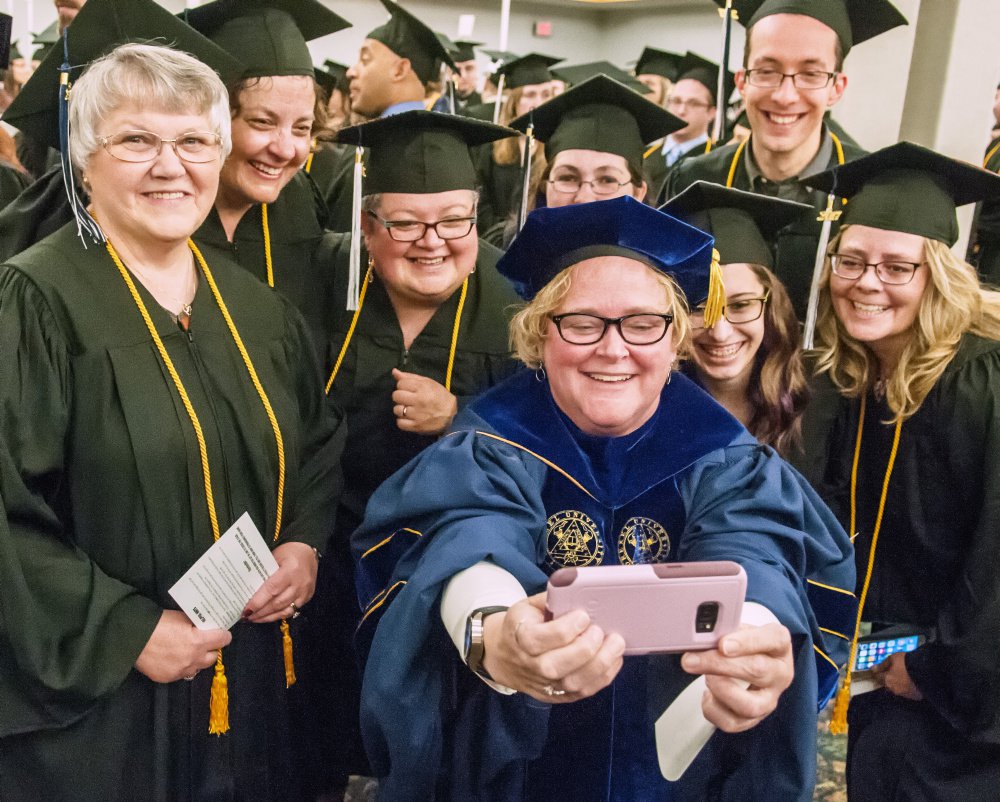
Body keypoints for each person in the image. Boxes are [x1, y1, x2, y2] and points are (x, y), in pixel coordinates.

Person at [353, 195, 855, 801]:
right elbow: (469, 533)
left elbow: (756, 549)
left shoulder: (723, 455)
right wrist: (495, 635)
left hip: (680, 775)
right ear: (539, 333)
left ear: (676, 340)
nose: (614, 349)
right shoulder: (493, 443)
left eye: (643, 324)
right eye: (583, 322)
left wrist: (751, 634)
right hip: (521, 776)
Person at [0, 40, 343, 802]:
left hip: (248, 683)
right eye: (136, 140)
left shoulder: (255, 308)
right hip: (103, 711)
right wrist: (126, 631)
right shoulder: (34, 303)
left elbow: (316, 443)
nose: (170, 166)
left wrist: (302, 544)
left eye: (193, 141)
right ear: (85, 159)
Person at [294, 110, 525, 801]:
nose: (433, 241)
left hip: (452, 565)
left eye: (454, 221)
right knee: (316, 733)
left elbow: (554, 436)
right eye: (405, 223)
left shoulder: (519, 301)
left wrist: (460, 416)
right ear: (368, 228)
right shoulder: (318, 281)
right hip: (326, 554)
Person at [798, 141, 1000, 801]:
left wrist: (937, 669)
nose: (867, 281)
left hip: (962, 714)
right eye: (852, 261)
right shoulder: (855, 379)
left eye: (896, 267)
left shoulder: (979, 381)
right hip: (887, 681)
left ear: (936, 276)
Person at [661, 0, 906, 318]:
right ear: (742, 82)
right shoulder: (691, 179)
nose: (784, 96)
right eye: (766, 72)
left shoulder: (873, 189)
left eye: (811, 74)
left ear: (836, 88)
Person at [662, 180, 811, 455]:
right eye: (699, 308)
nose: (720, 332)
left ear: (771, 304)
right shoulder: (652, 413)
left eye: (741, 305)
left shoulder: (818, 400)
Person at [507, 75, 683, 228]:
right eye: (567, 178)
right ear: (545, 186)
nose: (584, 198)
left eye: (607, 180)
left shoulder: (663, 257)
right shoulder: (508, 250)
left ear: (638, 194)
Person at [473, 53, 560, 233]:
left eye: (546, 94)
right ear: (514, 102)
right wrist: (501, 235)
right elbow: (481, 199)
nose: (539, 102)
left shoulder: (557, 149)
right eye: (530, 94)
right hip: (492, 238)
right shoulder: (492, 145)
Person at [644, 51, 731, 195]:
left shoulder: (719, 164)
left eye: (693, 103)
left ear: (712, 112)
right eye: (676, 101)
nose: (681, 110)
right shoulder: (644, 155)